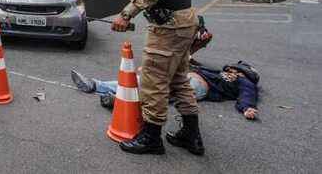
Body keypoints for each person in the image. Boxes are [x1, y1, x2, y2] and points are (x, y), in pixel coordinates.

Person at [111, 0, 202, 156]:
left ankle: (151, 138)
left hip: (168, 28)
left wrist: (126, 14)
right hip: (185, 21)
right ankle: (191, 135)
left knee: (154, 81)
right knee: (179, 79)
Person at [70, 59, 260, 120]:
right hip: (186, 77)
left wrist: (246, 107)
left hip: (199, 86)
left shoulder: (242, 81)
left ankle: (118, 100)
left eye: (236, 69)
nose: (232, 69)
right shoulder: (220, 72)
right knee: (139, 80)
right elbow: (192, 64)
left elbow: (247, 95)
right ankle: (95, 85)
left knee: (158, 93)